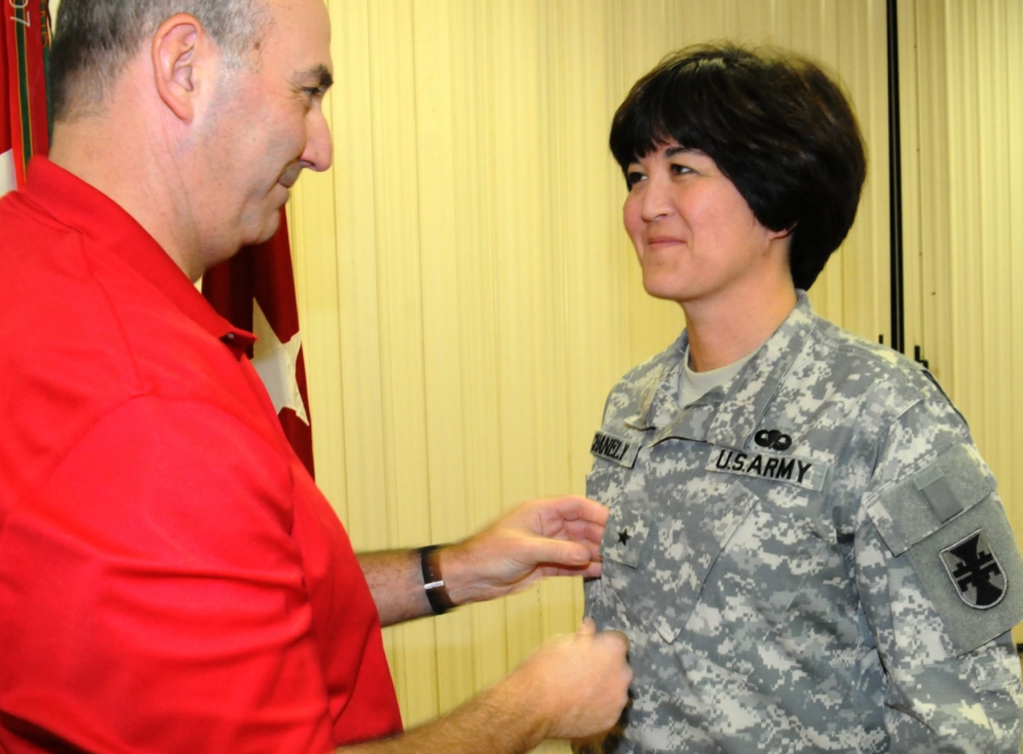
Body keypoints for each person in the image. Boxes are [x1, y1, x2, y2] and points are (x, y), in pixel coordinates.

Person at [0, 1, 632, 752]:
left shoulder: (39, 271)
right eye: (307, 92)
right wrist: (534, 708)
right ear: (183, 68)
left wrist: (449, 571)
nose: (321, 148)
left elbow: (205, 611)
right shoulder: (150, 401)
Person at [580, 43, 1023, 754]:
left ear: (777, 199)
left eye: (681, 170)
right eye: (636, 175)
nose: (644, 205)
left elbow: (966, 719)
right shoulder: (634, 405)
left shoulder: (884, 415)